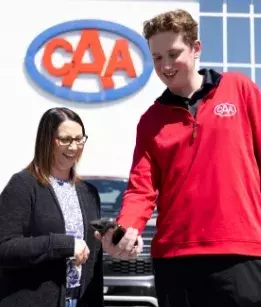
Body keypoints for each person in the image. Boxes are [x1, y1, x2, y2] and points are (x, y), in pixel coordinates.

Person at [96, 9, 261, 307]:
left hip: (240, 251)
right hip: (175, 259)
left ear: (196, 48)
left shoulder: (240, 89)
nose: (166, 65)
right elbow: (140, 190)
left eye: (174, 53)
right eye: (157, 57)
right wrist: (126, 230)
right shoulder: (151, 120)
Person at [0, 107, 104, 307]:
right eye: (65, 139)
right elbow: (4, 247)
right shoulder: (23, 185)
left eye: (79, 139)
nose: (74, 147)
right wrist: (64, 244)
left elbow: (93, 263)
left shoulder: (88, 192)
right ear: (46, 140)